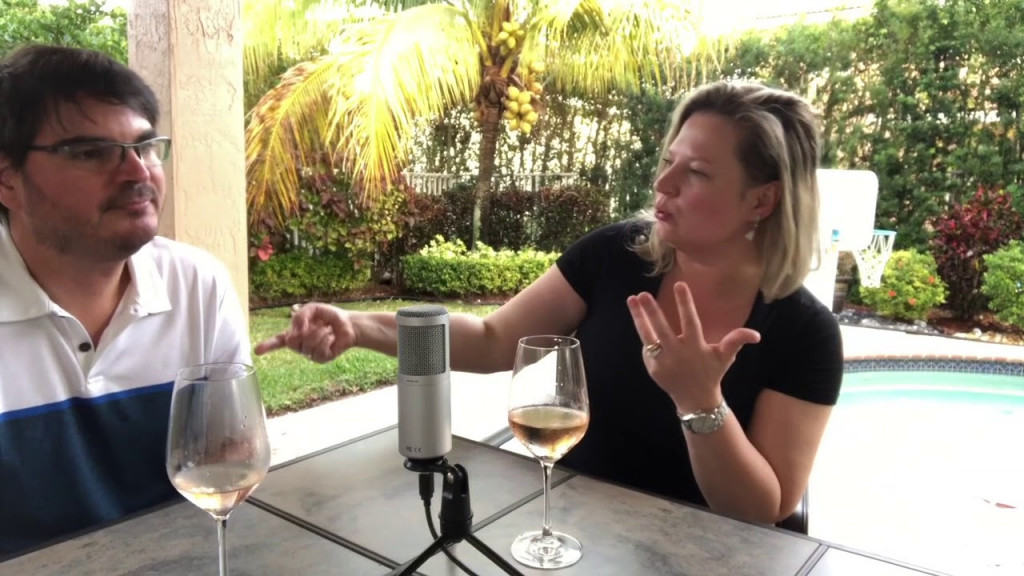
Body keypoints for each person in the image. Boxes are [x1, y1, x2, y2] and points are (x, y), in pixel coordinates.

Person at [256, 80, 844, 525]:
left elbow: (761, 512)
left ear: (761, 202)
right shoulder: (616, 256)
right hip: (570, 532)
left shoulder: (804, 332)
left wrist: (699, 399)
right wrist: (357, 326)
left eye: (697, 173)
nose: (663, 185)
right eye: (668, 162)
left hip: (702, 554)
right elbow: (492, 340)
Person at [0, 45, 250, 556]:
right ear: (7, 178)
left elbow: (231, 452)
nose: (138, 173)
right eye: (91, 152)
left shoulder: (196, 284)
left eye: (146, 146)